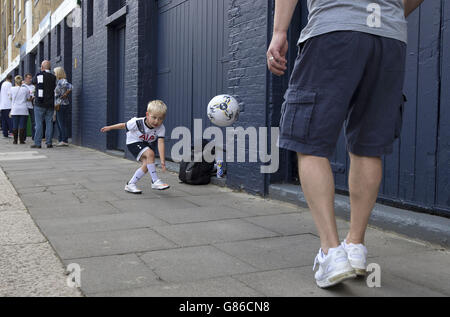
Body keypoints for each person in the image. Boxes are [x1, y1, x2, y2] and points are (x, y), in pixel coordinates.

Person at [267, 0, 424, 288]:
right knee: (368, 146)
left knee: (309, 140)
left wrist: (279, 32)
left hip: (334, 28)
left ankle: (331, 252)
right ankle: (356, 247)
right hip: (389, 38)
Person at [100, 100, 170, 193]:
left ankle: (130, 184)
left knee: (146, 165)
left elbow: (161, 143)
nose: (156, 121)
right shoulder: (137, 122)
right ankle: (155, 181)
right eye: (154, 117)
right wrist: (110, 127)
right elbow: (123, 125)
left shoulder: (161, 128)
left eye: (160, 118)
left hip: (144, 144)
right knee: (150, 153)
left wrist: (162, 161)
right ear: (147, 114)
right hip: (133, 142)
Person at [32, 60, 57, 149]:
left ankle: (38, 143)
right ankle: (49, 142)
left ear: (42, 67)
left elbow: (33, 81)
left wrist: (40, 72)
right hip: (50, 104)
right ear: (49, 67)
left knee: (38, 124)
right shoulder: (53, 77)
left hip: (40, 103)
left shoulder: (39, 75)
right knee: (49, 123)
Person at [54, 67, 73, 147]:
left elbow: (71, 87)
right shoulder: (59, 81)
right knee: (60, 123)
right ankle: (61, 139)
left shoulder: (62, 81)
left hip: (61, 105)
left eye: (55, 73)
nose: (54, 74)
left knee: (62, 123)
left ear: (58, 73)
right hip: (61, 104)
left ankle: (64, 140)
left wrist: (66, 94)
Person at [9, 75, 31, 144]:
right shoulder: (25, 89)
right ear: (22, 81)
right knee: (22, 125)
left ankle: (15, 140)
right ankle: (21, 140)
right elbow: (28, 98)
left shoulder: (11, 89)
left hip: (15, 109)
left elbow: (10, 98)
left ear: (15, 81)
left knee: (15, 125)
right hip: (23, 109)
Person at [23, 74, 36, 141]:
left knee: (34, 122)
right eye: (29, 78)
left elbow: (34, 94)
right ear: (25, 78)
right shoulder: (22, 86)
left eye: (31, 78)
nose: (30, 79)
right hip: (25, 106)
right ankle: (23, 137)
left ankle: (34, 137)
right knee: (24, 122)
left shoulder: (33, 86)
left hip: (32, 106)